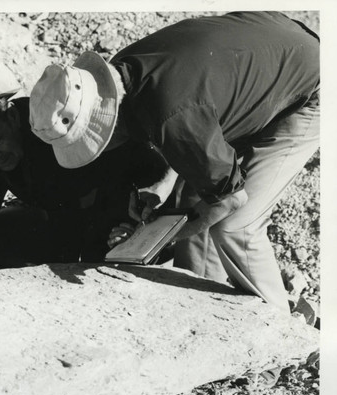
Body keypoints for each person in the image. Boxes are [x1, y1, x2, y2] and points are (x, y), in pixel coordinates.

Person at [28, 11, 320, 313]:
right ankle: (205, 313)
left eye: (94, 142)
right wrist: (164, 183)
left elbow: (230, 198)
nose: (101, 150)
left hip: (311, 80)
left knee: (235, 225)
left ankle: (280, 340)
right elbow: (186, 122)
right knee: (197, 200)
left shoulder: (171, 114)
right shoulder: (122, 76)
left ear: (107, 122)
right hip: (273, 49)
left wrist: (158, 239)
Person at [0, 69, 158, 273]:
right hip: (62, 208)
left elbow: (116, 173)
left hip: (126, 197)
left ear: (11, 117)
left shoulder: (52, 126)